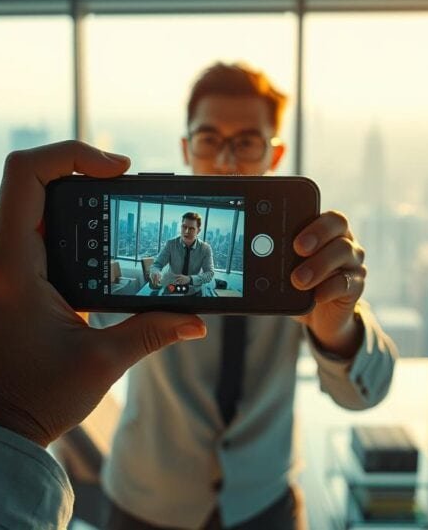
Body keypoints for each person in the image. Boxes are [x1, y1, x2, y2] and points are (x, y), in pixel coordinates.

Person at [98, 63, 398, 530]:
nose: (225, 159)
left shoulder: (305, 249)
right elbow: (89, 322)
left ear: (274, 155)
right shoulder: (155, 252)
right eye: (210, 139)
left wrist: (337, 329)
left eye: (246, 141)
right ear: (186, 148)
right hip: (145, 502)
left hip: (265, 504)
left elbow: (367, 392)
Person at [0, 141, 209, 529]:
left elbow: (209, 277)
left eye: (192, 226)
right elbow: (154, 270)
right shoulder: (167, 245)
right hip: (147, 488)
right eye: (185, 224)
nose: (187, 229)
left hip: (262, 498)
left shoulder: (207, 251)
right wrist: (162, 276)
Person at [149, 211, 215, 294]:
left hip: (193, 291)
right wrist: (155, 272)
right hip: (171, 289)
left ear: (198, 231)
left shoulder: (205, 249)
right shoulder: (171, 244)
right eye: (184, 227)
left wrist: (190, 279)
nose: (186, 231)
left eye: (191, 228)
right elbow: (157, 264)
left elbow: (209, 273)